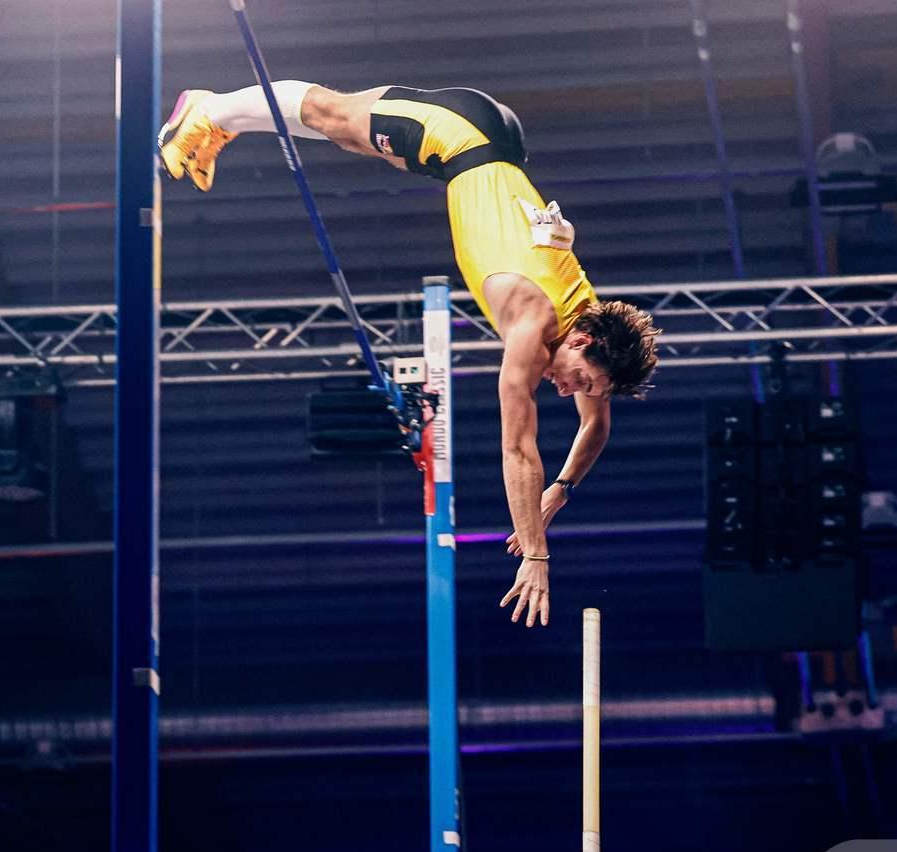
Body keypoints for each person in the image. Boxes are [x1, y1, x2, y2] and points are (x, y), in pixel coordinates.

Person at [160, 83, 660, 628]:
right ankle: (207, 108)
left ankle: (226, 122)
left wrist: (558, 493)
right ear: (583, 343)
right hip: (462, 133)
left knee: (350, 139)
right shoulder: (530, 323)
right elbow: (518, 451)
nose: (570, 391)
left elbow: (596, 428)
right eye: (581, 381)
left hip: (481, 150)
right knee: (334, 114)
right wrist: (537, 557)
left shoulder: (586, 320)